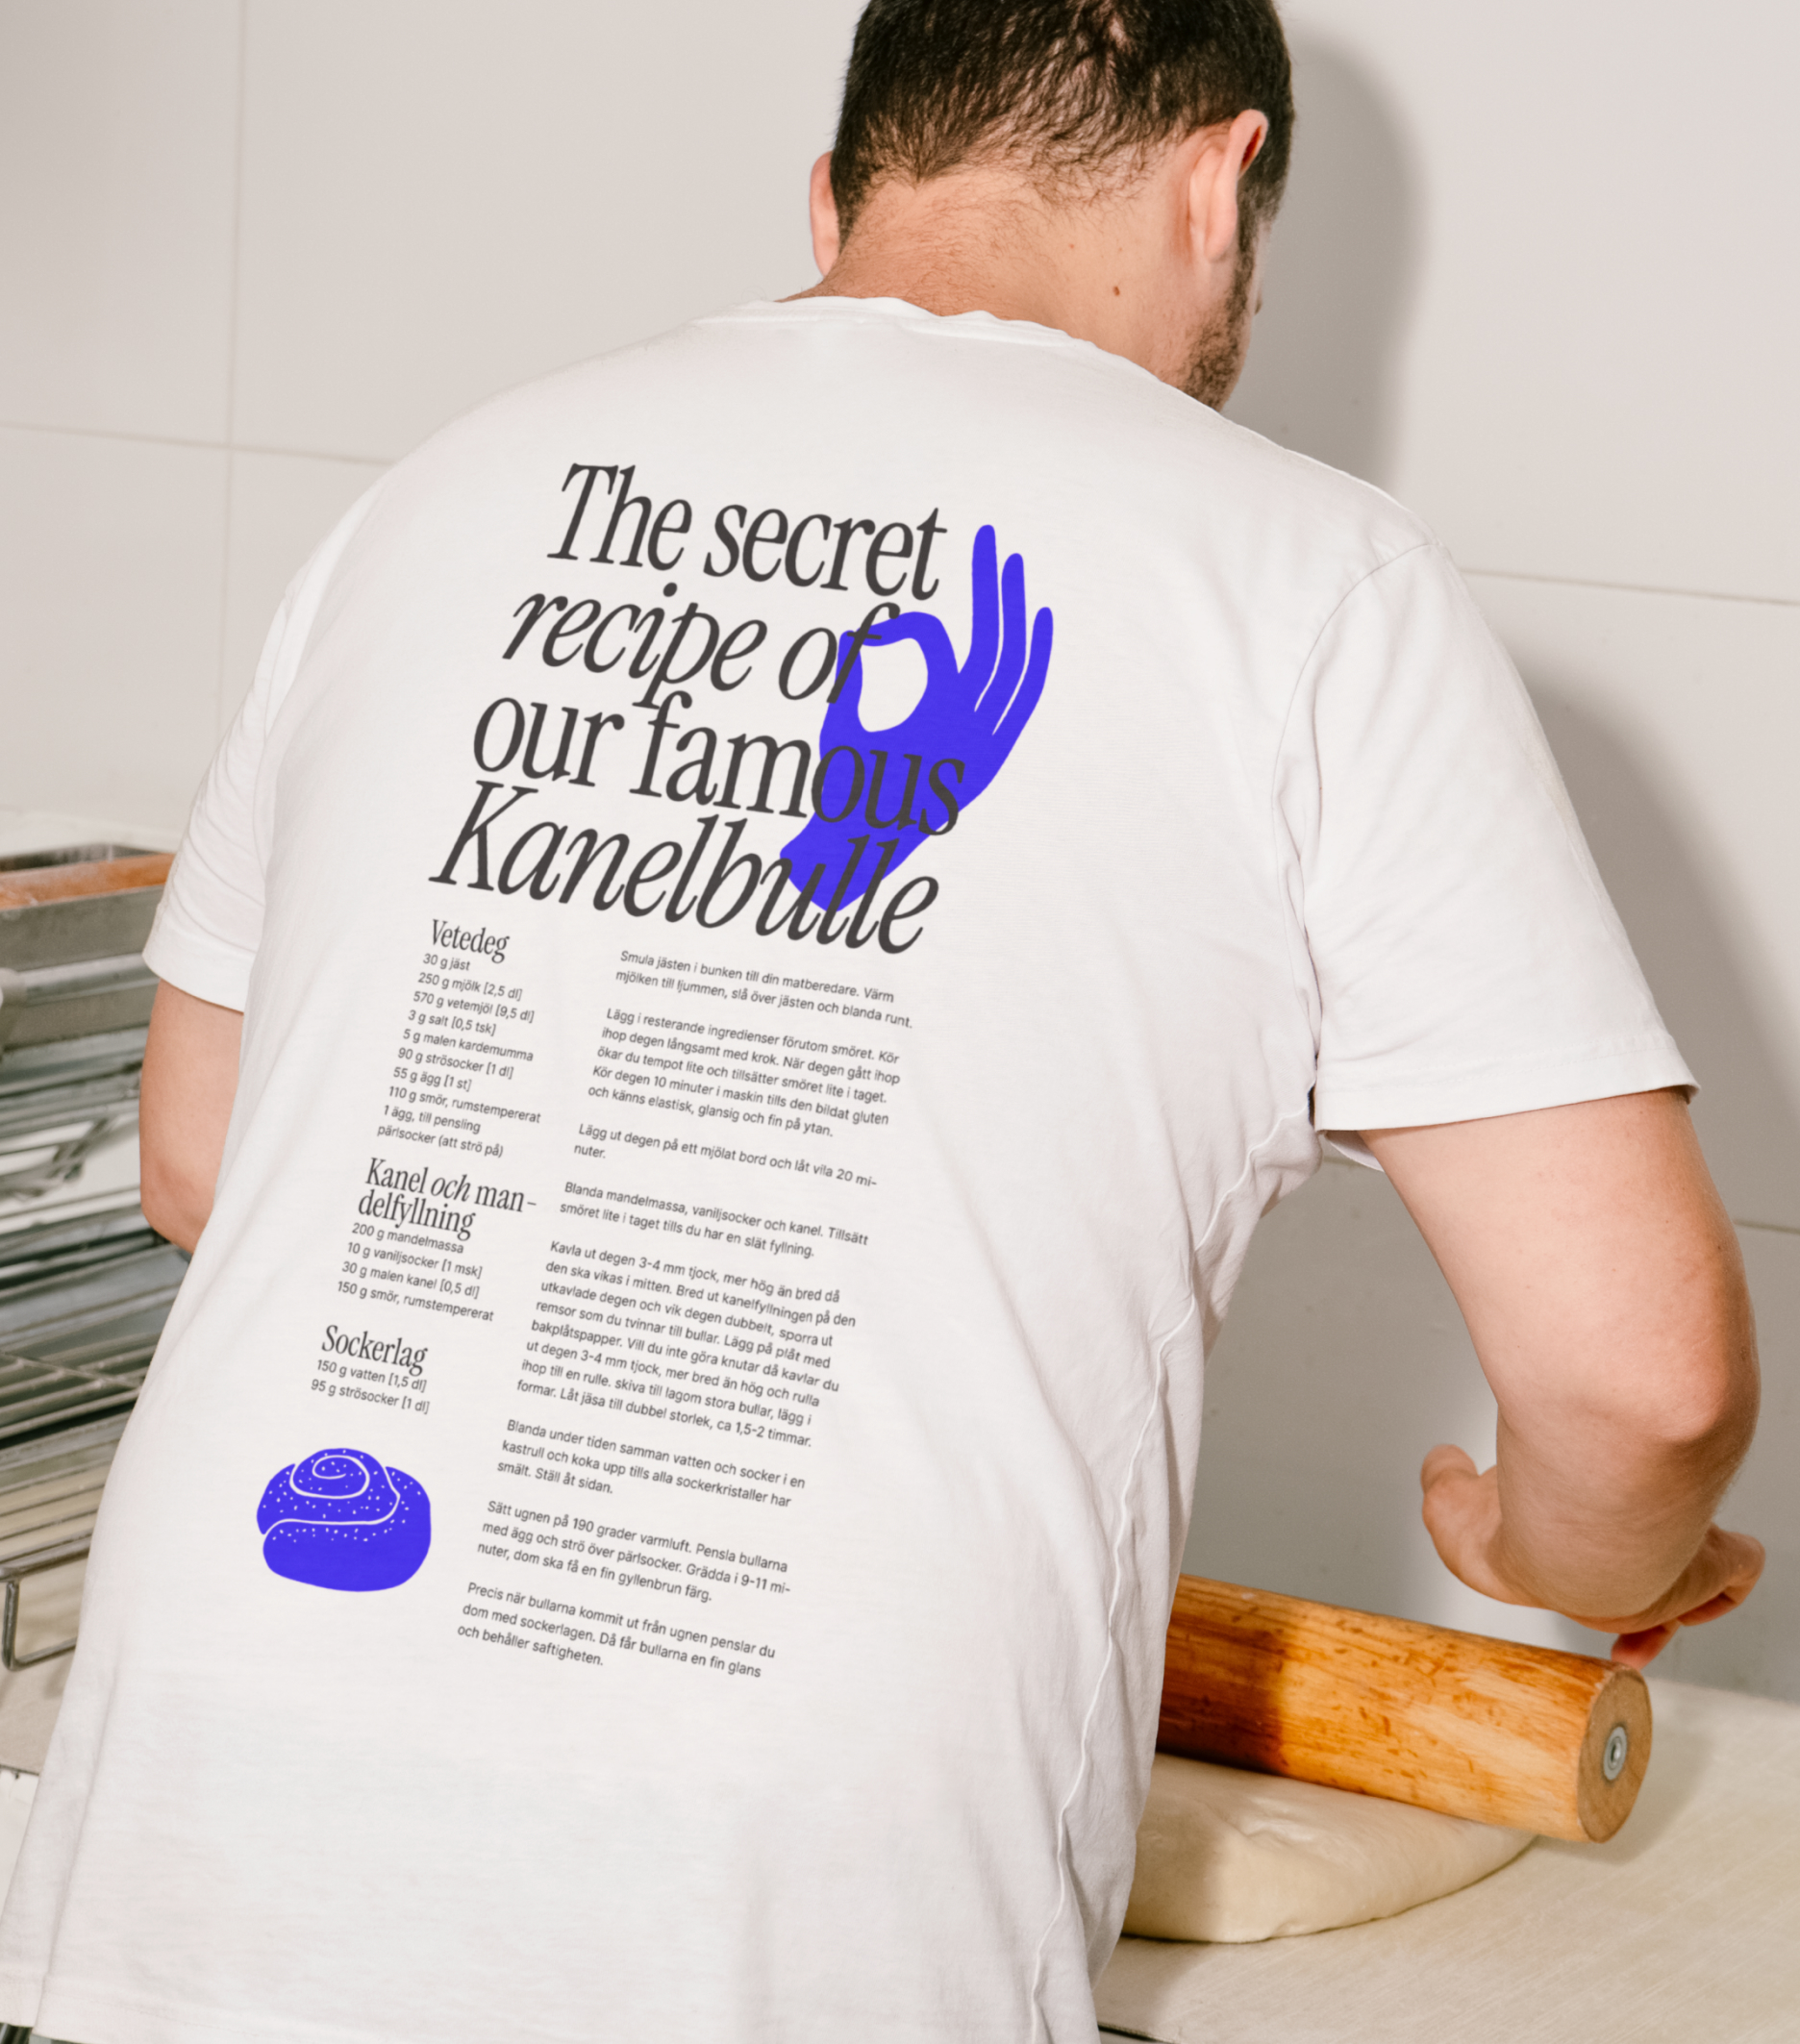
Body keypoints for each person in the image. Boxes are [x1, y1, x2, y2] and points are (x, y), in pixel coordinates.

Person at [0, 2, 1762, 2038]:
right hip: (771, 1903)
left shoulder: (438, 490)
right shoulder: (1315, 579)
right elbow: (1638, 1382)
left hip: (210, 1807)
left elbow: (200, 1160)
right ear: (1221, 182)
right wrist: (1564, 1549)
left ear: (837, 199)